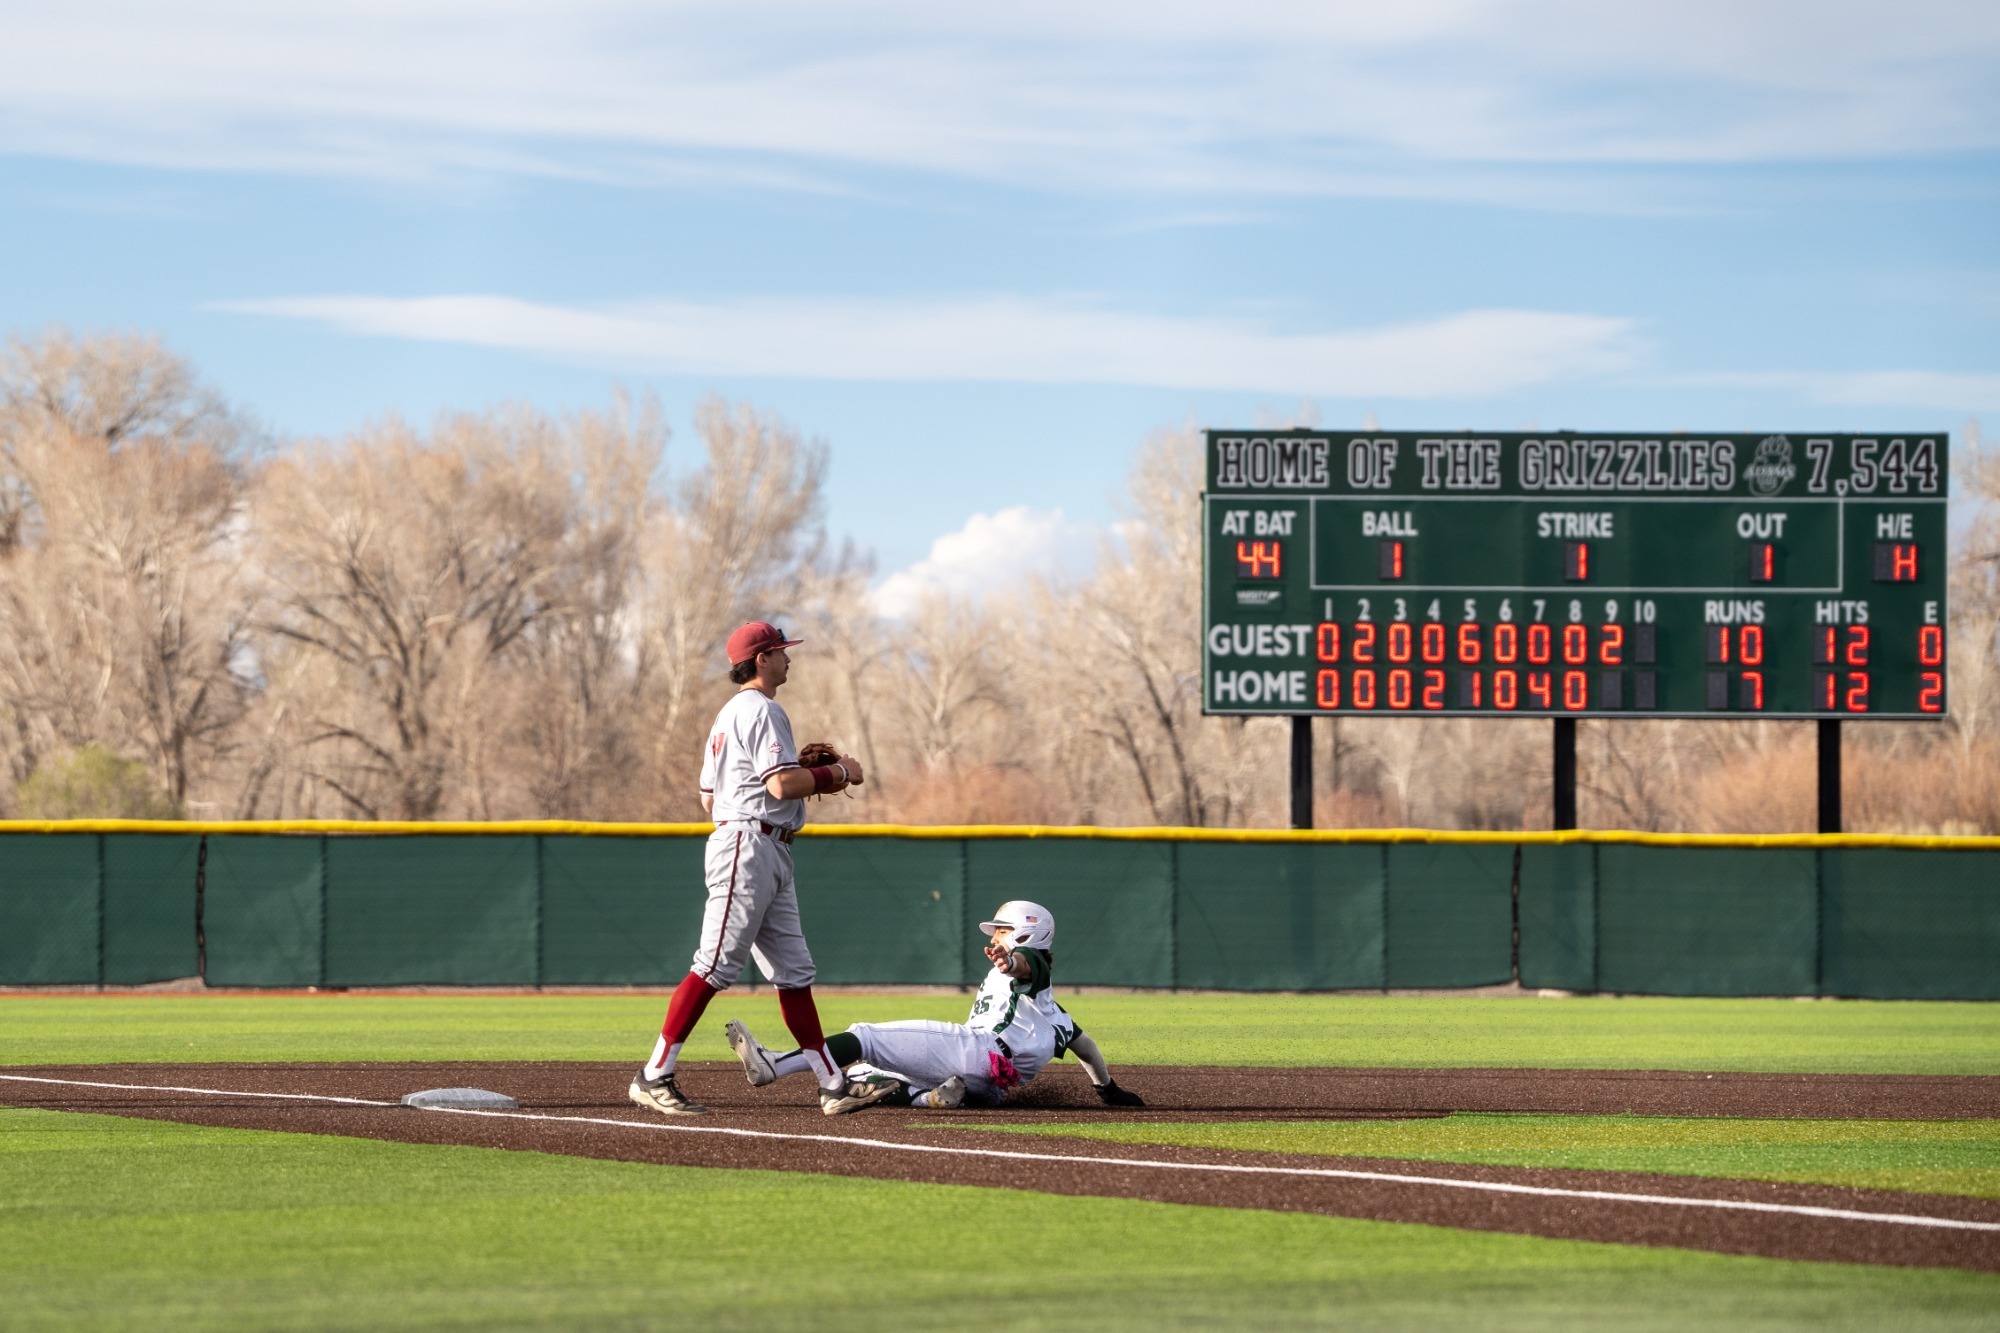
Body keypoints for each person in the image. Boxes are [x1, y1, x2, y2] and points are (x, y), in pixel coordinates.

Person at [629, 621, 865, 1117]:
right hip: (748, 844)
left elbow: (708, 795)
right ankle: (653, 1074)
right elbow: (781, 787)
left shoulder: (728, 715)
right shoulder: (761, 709)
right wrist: (836, 773)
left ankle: (832, 1084)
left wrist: (791, 778)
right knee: (714, 964)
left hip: (765, 845)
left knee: (794, 973)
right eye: (781, 650)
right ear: (761, 659)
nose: (788, 657)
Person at [724, 900, 1146, 1114]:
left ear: (1026, 937)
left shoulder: (1031, 969)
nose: (997, 938)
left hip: (976, 1051)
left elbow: (1027, 966)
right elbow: (1085, 1045)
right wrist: (1107, 1089)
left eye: (1004, 931)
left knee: (863, 1037)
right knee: (864, 1075)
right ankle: (926, 1099)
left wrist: (1011, 961)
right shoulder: (1057, 1015)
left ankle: (773, 1065)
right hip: (992, 1089)